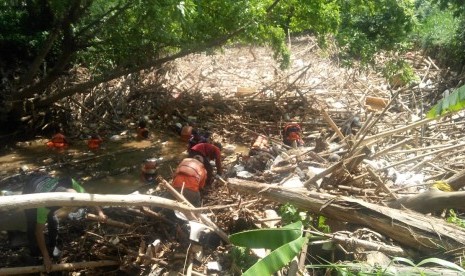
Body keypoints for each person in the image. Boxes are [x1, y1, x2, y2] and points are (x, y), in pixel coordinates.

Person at [23, 172, 106, 272]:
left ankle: (52, 246)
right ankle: (34, 251)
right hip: (31, 189)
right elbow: (39, 231)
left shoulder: (70, 181)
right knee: (32, 224)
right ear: (61, 203)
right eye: (69, 207)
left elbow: (88, 198)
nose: (71, 210)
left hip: (45, 179)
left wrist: (100, 212)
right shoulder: (44, 204)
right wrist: (45, 257)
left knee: (54, 223)